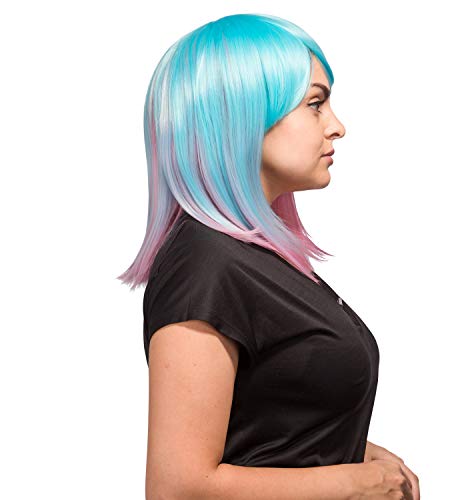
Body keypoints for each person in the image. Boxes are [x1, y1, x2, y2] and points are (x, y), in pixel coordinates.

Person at [117, 13, 420, 500]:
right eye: (315, 104)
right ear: (243, 117)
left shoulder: (251, 258)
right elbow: (177, 488)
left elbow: (267, 425)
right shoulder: (204, 265)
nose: (337, 127)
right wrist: (347, 483)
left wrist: (351, 449)